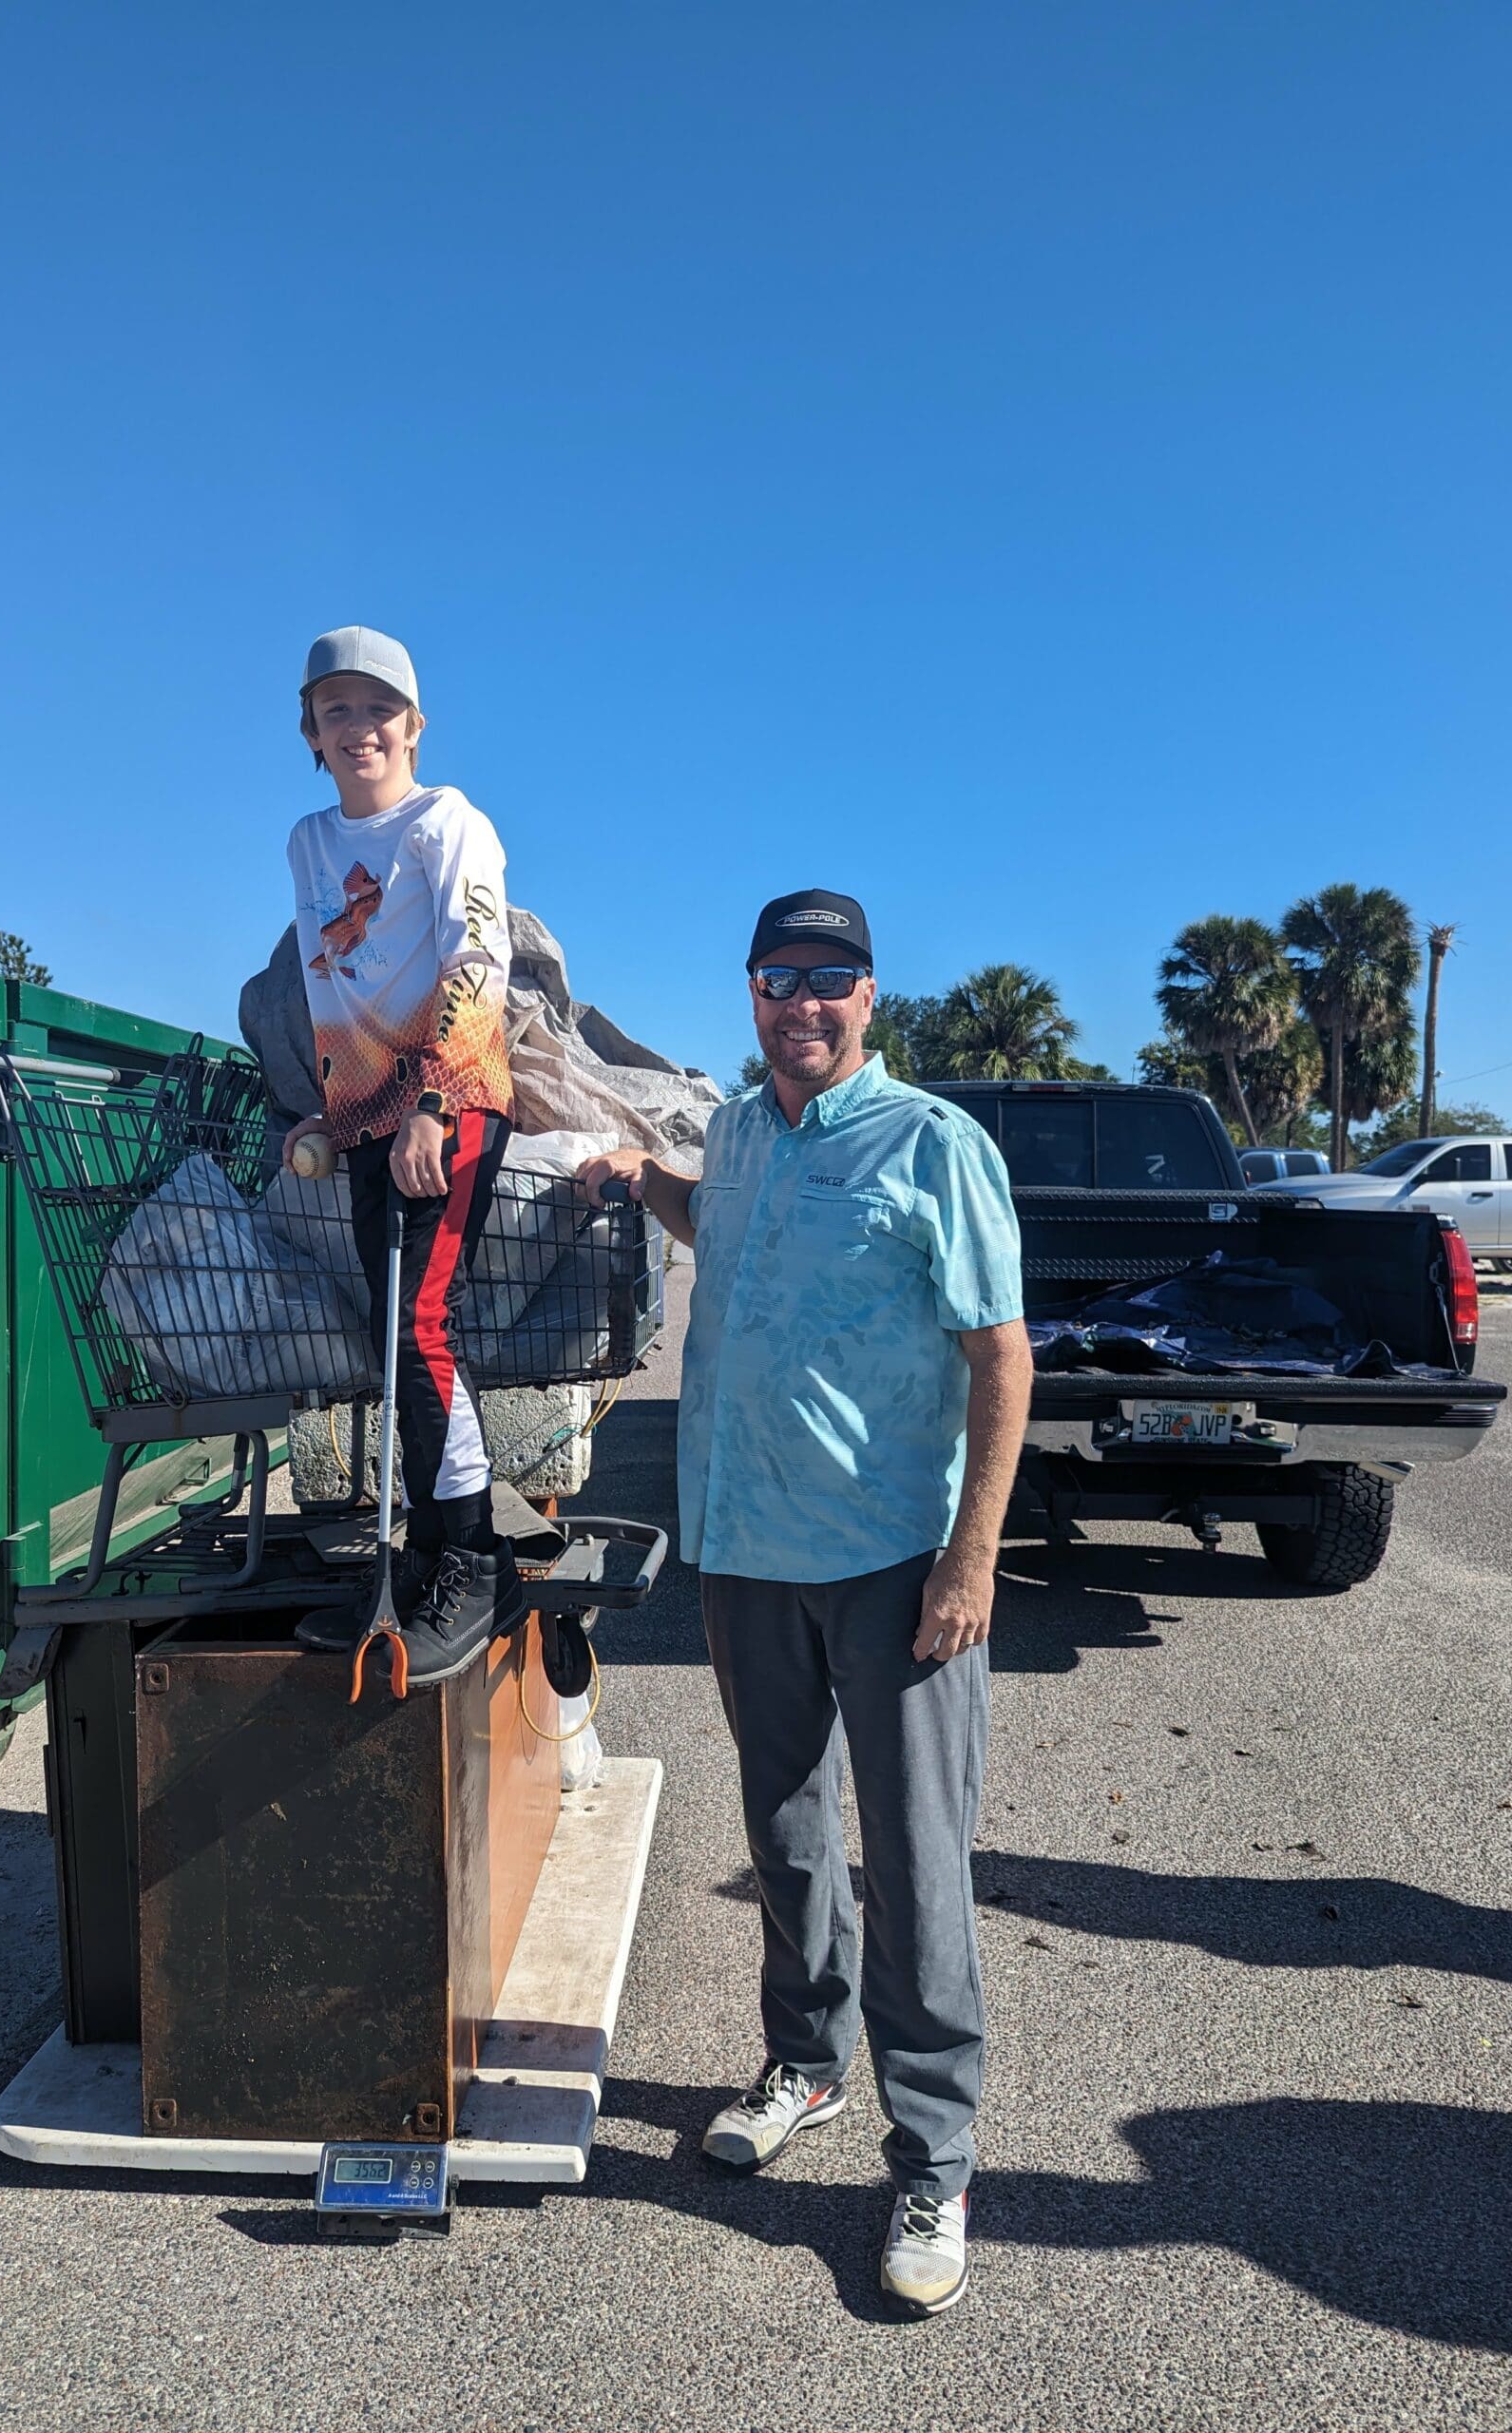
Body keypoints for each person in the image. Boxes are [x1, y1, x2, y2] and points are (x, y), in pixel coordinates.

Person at [579, 889, 1032, 2320]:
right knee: (784, 1830)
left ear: (871, 997)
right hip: (749, 1550)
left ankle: (937, 2154)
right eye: (783, 977)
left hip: (894, 1560)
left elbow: (1003, 1358)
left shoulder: (932, 1145)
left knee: (912, 1858)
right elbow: (716, 1224)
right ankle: (807, 2063)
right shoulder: (745, 1136)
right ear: (755, 993)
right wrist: (630, 1174)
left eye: (833, 980)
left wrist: (973, 1557)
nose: (806, 1002)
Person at [286, 625, 526, 1683]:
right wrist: (330, 1118)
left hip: (453, 1095)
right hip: (375, 1111)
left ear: (413, 728)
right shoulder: (306, 845)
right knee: (391, 1339)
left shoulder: (448, 823)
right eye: (337, 710)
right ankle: (426, 1549)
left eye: (378, 709)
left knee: (418, 1325)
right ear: (312, 734)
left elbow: (480, 957)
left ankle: (473, 1556)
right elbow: (326, 988)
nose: (359, 727)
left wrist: (430, 1101)